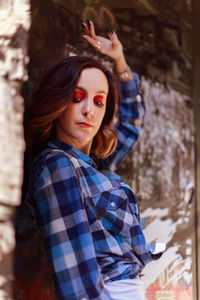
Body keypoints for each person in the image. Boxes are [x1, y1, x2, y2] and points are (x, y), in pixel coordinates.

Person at [24, 20, 165, 300]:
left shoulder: (95, 169)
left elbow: (131, 124)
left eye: (99, 101)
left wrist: (119, 61)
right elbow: (76, 280)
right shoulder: (58, 166)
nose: (89, 110)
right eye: (77, 98)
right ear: (58, 102)